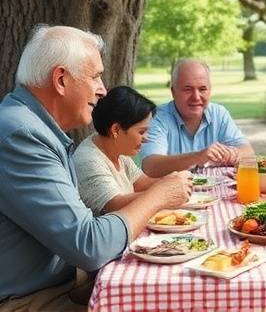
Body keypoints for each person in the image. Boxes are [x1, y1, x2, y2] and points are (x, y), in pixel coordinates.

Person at [0, 25, 192, 310]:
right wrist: (161, 195)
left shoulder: (33, 126)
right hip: (30, 299)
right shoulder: (22, 135)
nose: (103, 90)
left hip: (64, 280)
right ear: (61, 79)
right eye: (96, 76)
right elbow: (90, 246)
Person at [141, 58, 254, 177]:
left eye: (202, 89)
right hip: (173, 193)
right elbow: (150, 166)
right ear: (173, 92)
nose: (196, 97)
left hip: (216, 192)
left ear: (210, 91)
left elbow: (248, 153)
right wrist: (198, 157)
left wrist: (232, 153)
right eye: (188, 89)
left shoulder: (219, 114)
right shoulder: (157, 118)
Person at [74, 86, 164, 216]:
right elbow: (115, 205)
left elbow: (141, 183)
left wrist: (175, 181)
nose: (147, 139)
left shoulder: (116, 149)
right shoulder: (88, 160)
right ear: (116, 130)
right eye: (142, 132)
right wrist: (164, 193)